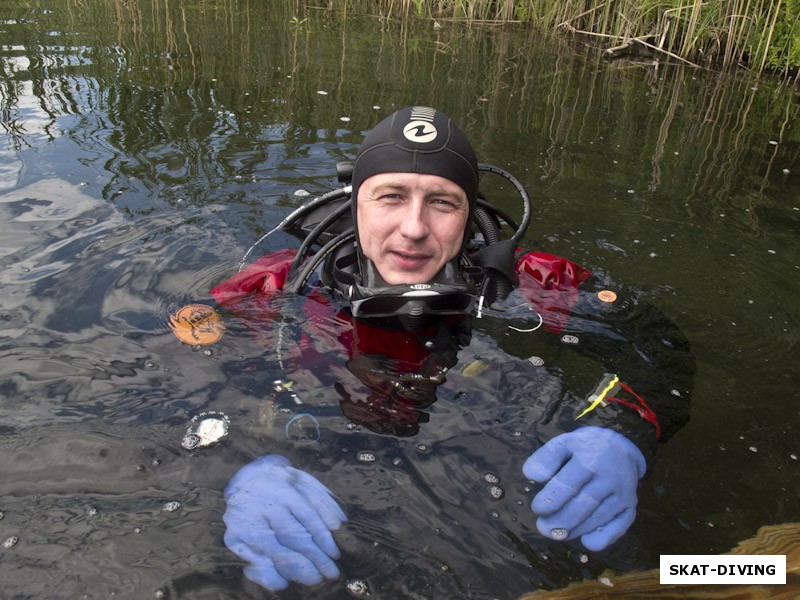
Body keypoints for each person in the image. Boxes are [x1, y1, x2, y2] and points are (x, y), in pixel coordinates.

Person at [212, 106, 694, 591]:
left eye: (442, 202)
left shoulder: (535, 282)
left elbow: (658, 346)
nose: (415, 228)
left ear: (468, 216)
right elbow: (175, 375)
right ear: (357, 202)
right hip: (329, 497)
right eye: (391, 198)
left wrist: (625, 430)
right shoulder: (275, 286)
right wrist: (239, 463)